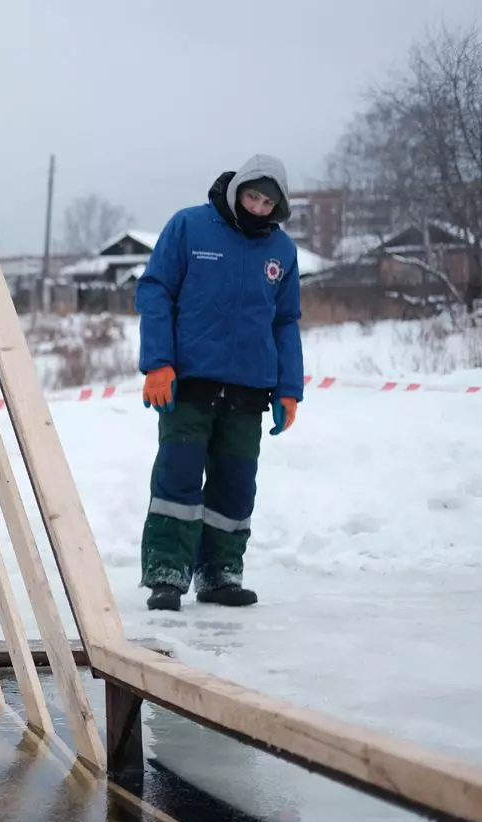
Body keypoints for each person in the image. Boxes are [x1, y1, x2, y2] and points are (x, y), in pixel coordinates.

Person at [134, 154, 304, 612]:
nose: (258, 205)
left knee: (235, 485)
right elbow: (155, 291)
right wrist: (158, 363)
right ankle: (167, 574)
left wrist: (289, 389)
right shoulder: (189, 227)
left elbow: (285, 321)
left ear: (279, 206)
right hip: (188, 385)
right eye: (252, 194)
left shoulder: (281, 252)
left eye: (268, 201)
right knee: (179, 479)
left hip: (249, 393)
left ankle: (220, 574)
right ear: (237, 190)